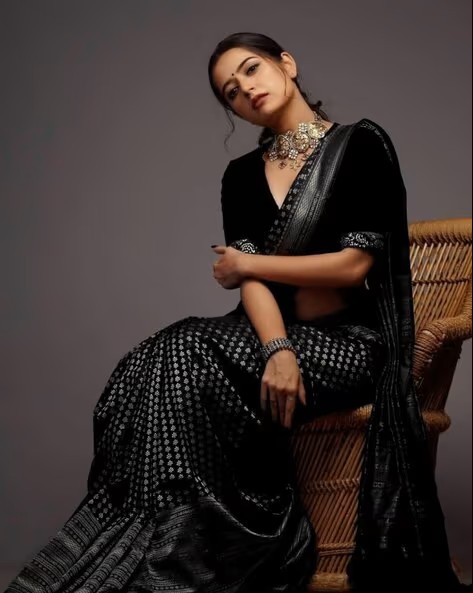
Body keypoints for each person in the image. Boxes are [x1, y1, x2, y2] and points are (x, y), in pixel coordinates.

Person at [5, 31, 470, 593]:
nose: (245, 89)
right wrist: (278, 349)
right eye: (230, 90)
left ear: (286, 64)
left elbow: (352, 267)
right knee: (147, 364)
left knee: (182, 346)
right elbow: (254, 286)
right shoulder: (241, 176)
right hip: (270, 338)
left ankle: (176, 566)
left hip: (350, 345)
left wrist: (250, 264)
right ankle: (163, 552)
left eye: (251, 69)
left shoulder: (359, 146)